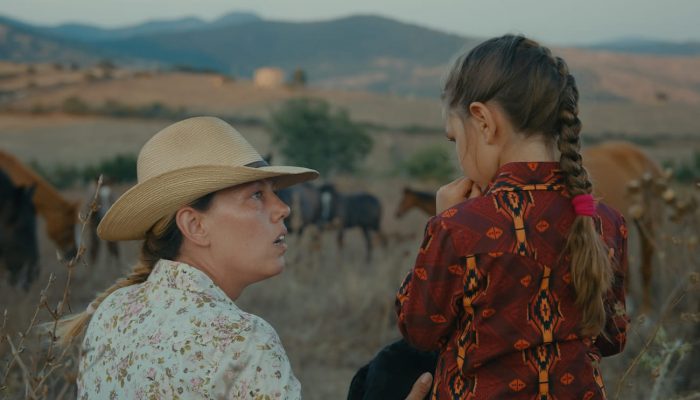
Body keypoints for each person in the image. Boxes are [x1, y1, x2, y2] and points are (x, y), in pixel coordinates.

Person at [54, 116, 432, 399]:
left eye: (274, 192)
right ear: (195, 226)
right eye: (256, 196)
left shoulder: (111, 311)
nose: (283, 208)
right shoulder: (243, 343)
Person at [395, 35, 629, 399]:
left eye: (454, 139)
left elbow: (419, 330)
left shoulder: (458, 227)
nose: (458, 154)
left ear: (483, 121)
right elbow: (613, 337)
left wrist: (442, 223)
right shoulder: (605, 220)